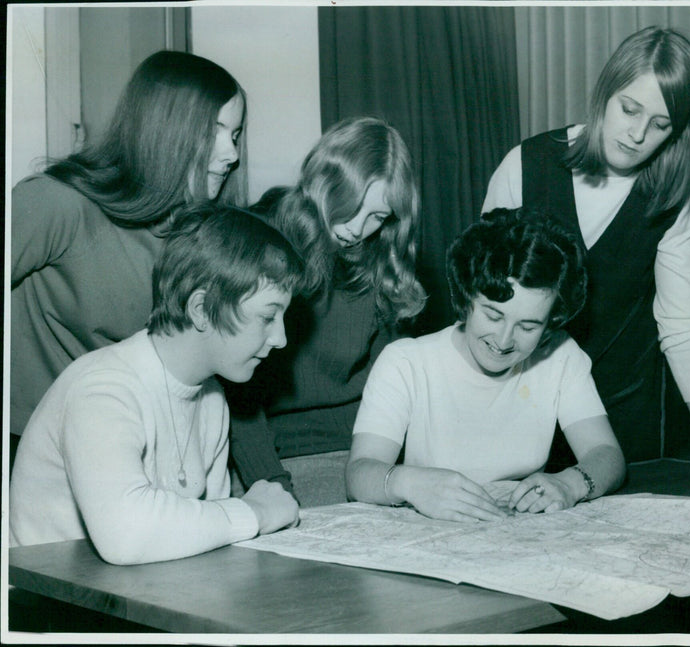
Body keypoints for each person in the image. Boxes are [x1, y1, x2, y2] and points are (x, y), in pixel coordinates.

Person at [482, 26, 690, 469]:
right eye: (629, 109)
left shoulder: (677, 196)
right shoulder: (523, 165)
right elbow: (483, 301)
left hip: (626, 417)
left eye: (660, 125)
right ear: (605, 93)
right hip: (523, 401)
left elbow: (685, 324)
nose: (637, 134)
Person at [10, 203, 302, 565]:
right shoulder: (103, 388)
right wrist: (252, 513)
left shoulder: (211, 399)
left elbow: (209, 542)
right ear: (200, 309)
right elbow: (125, 536)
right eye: (268, 316)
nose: (281, 338)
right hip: (47, 610)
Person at [9, 50, 248, 455]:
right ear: (163, 129)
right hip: (31, 444)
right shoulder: (57, 203)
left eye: (236, 135)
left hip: (132, 444)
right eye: (214, 130)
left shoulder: (195, 233)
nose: (232, 154)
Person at [346, 210, 626, 521]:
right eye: (493, 316)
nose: (504, 340)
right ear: (466, 298)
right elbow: (358, 475)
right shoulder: (406, 363)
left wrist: (569, 483)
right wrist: (408, 482)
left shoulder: (561, 357)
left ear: (550, 324)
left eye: (529, 326)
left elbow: (607, 455)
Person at [227, 117, 427, 499]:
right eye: (350, 205)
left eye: (378, 216)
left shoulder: (381, 258)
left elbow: (394, 389)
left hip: (366, 454)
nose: (357, 228)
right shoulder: (258, 239)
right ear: (322, 182)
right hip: (272, 458)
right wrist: (274, 487)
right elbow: (238, 400)